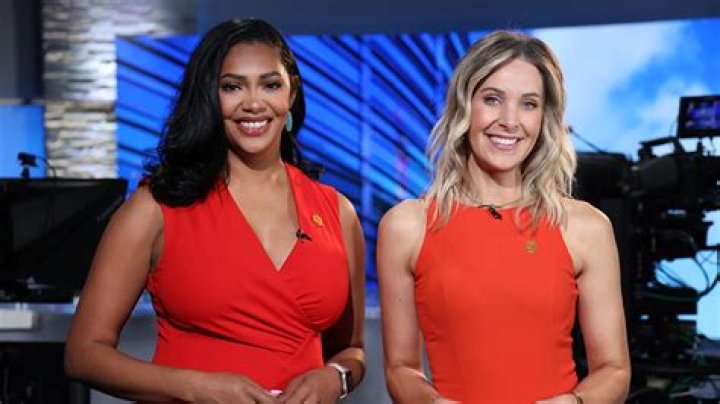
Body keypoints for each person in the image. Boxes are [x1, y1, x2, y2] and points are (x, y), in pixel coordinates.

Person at [65, 18, 365, 403]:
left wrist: (336, 378)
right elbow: (84, 354)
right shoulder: (155, 209)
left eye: (270, 85)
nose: (253, 103)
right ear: (209, 96)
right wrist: (195, 387)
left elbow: (351, 350)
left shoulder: (337, 212)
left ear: (291, 94)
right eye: (232, 87)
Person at [377, 30, 630, 404]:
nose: (510, 121)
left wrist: (575, 403)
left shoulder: (584, 227)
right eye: (492, 99)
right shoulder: (407, 226)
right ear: (465, 106)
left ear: (544, 117)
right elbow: (400, 368)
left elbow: (614, 369)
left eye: (529, 104)